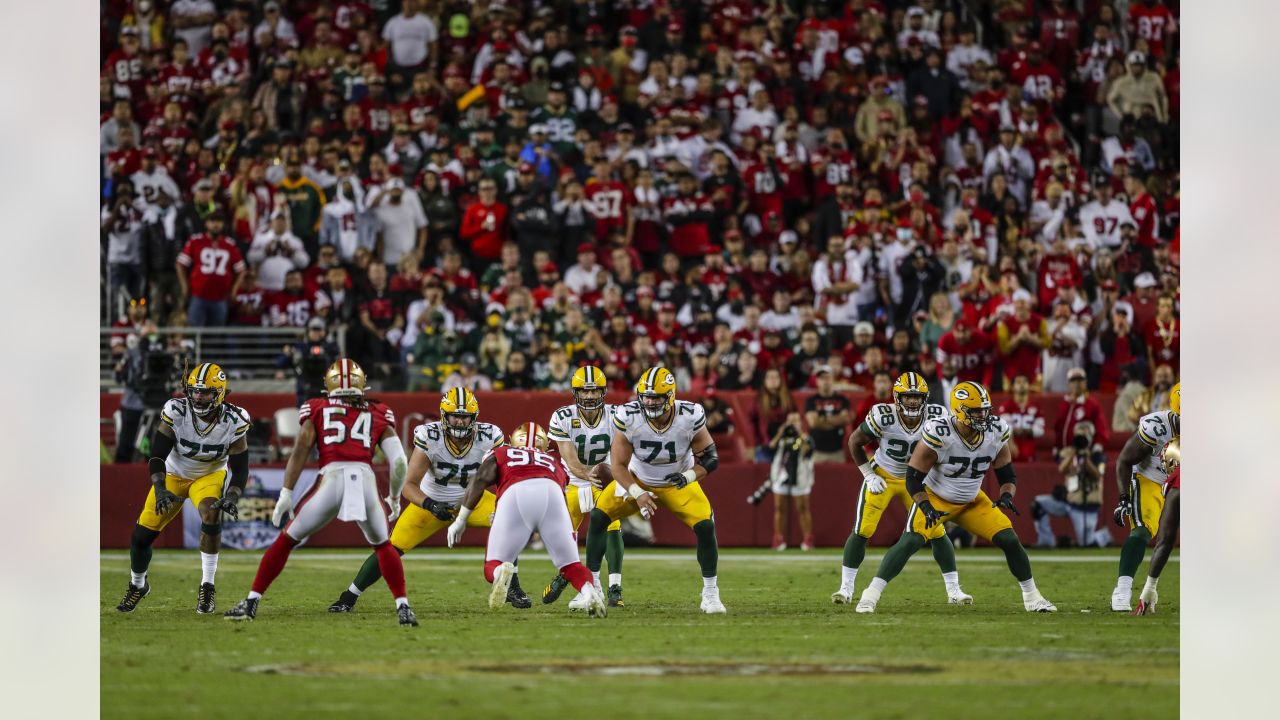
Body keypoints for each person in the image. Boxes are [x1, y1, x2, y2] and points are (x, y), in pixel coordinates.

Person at [224, 360, 417, 627]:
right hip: (364, 480)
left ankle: (251, 601)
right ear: (363, 384)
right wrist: (395, 497)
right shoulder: (378, 411)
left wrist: (286, 492)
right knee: (383, 546)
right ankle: (403, 607)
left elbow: (301, 450)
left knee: (286, 540)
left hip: (331, 478)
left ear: (329, 385)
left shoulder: (317, 407)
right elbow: (399, 463)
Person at [855, 382, 1057, 614]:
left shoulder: (995, 430)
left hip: (972, 501)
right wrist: (925, 505)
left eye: (985, 410)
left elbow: (1006, 473)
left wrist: (1006, 495)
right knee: (911, 541)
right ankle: (870, 595)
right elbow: (912, 477)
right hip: (936, 498)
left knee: (1010, 540)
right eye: (976, 411)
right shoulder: (940, 433)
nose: (983, 416)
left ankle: (1033, 597)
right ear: (960, 410)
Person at [326, 388, 527, 612]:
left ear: (474, 418)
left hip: (473, 501)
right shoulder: (430, 436)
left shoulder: (489, 436)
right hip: (432, 502)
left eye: (465, 417)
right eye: (455, 416)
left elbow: (504, 476)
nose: (460, 422)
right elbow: (409, 485)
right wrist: (430, 504)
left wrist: (502, 504)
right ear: (444, 416)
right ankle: (349, 597)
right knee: (391, 549)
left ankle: (513, 588)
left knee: (511, 521)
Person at [585, 367, 726, 613]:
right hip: (637, 479)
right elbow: (617, 466)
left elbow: (711, 458)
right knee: (598, 517)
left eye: (656, 397)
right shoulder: (629, 415)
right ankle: (591, 586)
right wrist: (637, 493)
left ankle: (711, 593)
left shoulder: (689, 415)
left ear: (670, 396)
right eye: (646, 396)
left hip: (677, 482)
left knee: (706, 526)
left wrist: (689, 476)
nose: (649, 402)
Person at [116, 363, 250, 615]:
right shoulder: (176, 410)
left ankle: (207, 585)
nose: (198, 397)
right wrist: (160, 486)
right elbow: (156, 454)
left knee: (212, 513)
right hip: (174, 473)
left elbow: (241, 468)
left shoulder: (235, 419)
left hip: (209, 475)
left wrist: (232, 495)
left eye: (206, 392)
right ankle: (137, 585)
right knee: (141, 537)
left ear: (220, 393)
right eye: (194, 391)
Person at [833, 372, 972, 606]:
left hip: (917, 480)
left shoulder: (937, 416)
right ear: (897, 398)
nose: (913, 402)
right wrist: (868, 474)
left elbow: (950, 447)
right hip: (883, 475)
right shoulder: (882, 415)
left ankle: (954, 590)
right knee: (863, 529)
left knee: (937, 532)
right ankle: (845, 589)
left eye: (917, 397)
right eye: (908, 397)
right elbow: (854, 441)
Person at [446, 423, 607, 617]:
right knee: (571, 565)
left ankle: (500, 573)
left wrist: (461, 520)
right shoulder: (552, 461)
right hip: (553, 494)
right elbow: (561, 502)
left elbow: (481, 479)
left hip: (515, 492)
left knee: (493, 563)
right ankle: (589, 592)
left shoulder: (503, 452)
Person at [542, 367, 626, 610]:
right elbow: (570, 459)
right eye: (584, 391)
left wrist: (611, 474)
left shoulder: (617, 415)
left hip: (605, 479)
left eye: (594, 391)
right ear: (575, 392)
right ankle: (570, 575)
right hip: (575, 482)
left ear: (603, 392)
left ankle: (614, 586)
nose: (589, 396)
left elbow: (623, 451)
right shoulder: (563, 416)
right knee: (564, 535)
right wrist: (586, 474)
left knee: (612, 524)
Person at [1110, 383, 1180, 612]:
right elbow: (1124, 460)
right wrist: (1123, 498)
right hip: (1151, 478)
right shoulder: (1157, 426)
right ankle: (1123, 587)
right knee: (1142, 531)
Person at [1031, 420, 1112, 548]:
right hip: (1069, 501)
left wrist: (1086, 459)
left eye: (1085, 435)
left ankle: (1103, 536)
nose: (1082, 439)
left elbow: (1098, 475)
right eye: (1079, 435)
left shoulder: (1098, 455)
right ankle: (1047, 540)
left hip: (1087, 507)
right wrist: (1074, 453)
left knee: (1086, 544)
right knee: (1038, 504)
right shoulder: (1068, 452)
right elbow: (1062, 469)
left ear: (1091, 436)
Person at [1133, 437, 1179, 616]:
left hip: (1179, 488)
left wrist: (1150, 588)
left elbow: (1165, 541)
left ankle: (1148, 590)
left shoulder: (1176, 478)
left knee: (1165, 539)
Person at [176, 211, 246, 327]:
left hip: (220, 298)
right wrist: (185, 286)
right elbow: (180, 264)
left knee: (215, 337)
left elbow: (241, 269)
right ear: (206, 224)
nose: (216, 225)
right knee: (195, 332)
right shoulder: (196, 241)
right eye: (212, 221)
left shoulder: (229, 245)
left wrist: (234, 289)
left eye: (219, 221)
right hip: (198, 295)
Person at [767, 412, 815, 551]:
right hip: (782, 476)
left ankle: (808, 539)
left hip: (800, 477)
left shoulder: (805, 438)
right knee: (779, 508)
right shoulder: (782, 438)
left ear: (801, 423)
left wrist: (799, 433)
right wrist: (781, 433)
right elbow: (771, 446)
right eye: (790, 422)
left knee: (803, 508)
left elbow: (807, 450)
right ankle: (778, 538)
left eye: (796, 422)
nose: (793, 425)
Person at [804, 366, 851, 464]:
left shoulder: (843, 399)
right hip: (816, 451)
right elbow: (813, 423)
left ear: (833, 379)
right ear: (817, 381)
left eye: (827, 377)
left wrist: (822, 420)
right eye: (822, 378)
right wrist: (835, 421)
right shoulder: (811, 400)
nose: (825, 381)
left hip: (837, 451)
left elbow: (845, 418)